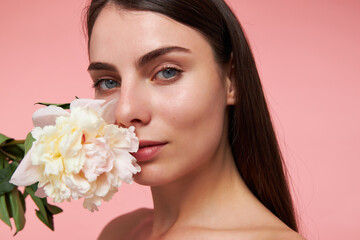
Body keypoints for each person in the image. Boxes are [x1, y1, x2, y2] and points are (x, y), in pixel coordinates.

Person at [85, 0, 305, 239]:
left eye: (167, 72)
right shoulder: (119, 233)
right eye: (108, 82)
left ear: (232, 80)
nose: (125, 112)